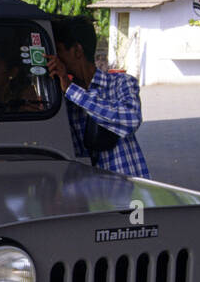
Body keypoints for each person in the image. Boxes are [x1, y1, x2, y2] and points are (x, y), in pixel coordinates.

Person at [49, 15, 150, 178]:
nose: (57, 59)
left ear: (77, 51)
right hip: (91, 193)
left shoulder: (121, 83)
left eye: (59, 51)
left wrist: (71, 91)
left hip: (128, 191)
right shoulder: (62, 100)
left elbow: (131, 119)